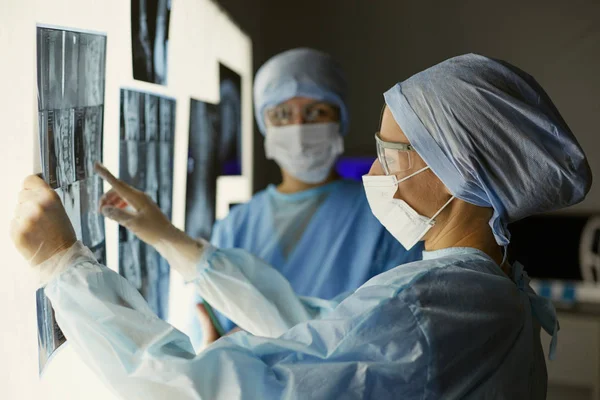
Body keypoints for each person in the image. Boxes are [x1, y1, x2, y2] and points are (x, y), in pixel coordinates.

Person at [12, 54, 592, 399]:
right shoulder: (481, 290)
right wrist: (172, 240)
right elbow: (317, 329)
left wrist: (66, 267)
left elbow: (213, 391)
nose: (374, 170)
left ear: (452, 172)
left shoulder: (441, 306)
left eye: (390, 153)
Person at [191, 48, 422, 347]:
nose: (299, 127)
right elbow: (210, 334)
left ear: (340, 120)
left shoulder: (387, 213)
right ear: (265, 126)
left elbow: (398, 328)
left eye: (316, 112)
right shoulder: (235, 226)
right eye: (282, 114)